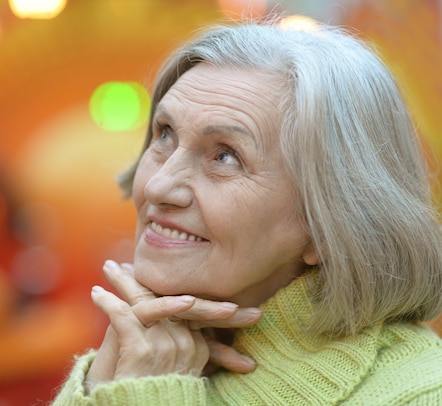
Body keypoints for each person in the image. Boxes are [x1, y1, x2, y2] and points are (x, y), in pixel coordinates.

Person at [51, 17, 442, 405]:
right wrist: (100, 386)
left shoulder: (420, 394)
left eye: (225, 157)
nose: (157, 186)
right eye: (164, 134)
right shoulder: (142, 354)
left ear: (326, 224)